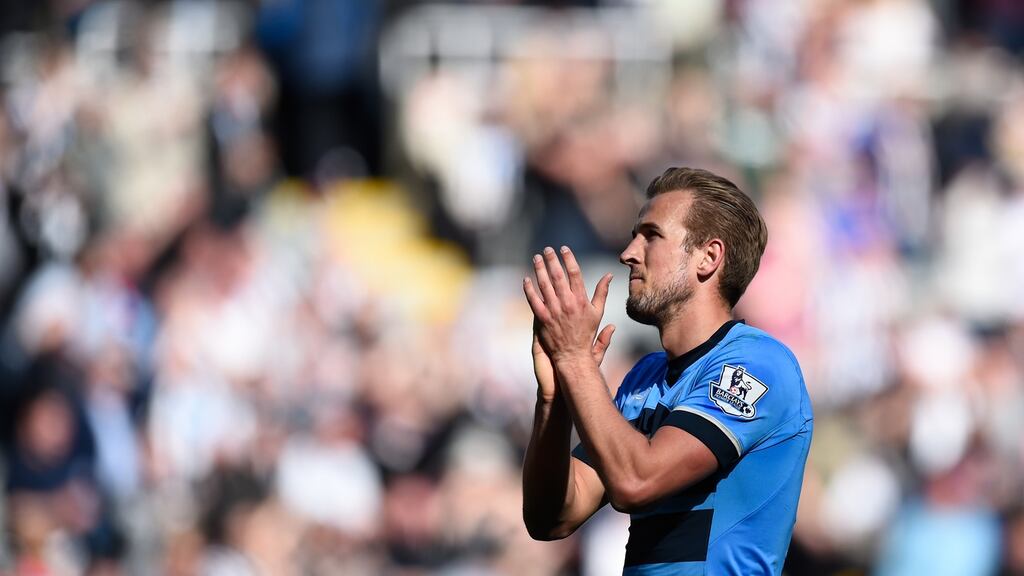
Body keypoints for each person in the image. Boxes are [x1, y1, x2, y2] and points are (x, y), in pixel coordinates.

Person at [521, 167, 813, 575]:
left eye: (651, 235)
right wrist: (554, 400)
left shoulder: (757, 365)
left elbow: (636, 481)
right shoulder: (644, 379)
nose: (628, 252)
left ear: (708, 257)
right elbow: (553, 517)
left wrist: (575, 359)